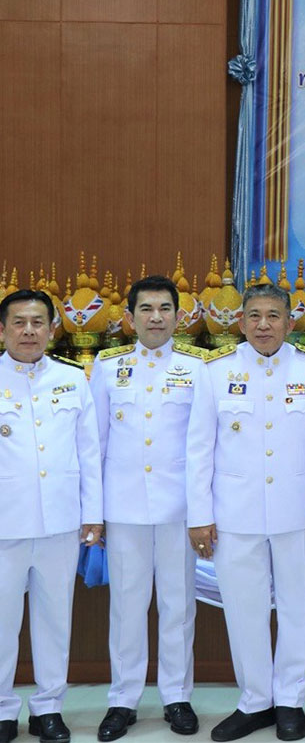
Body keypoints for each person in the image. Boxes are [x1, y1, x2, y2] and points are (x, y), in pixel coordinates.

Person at [186, 283, 305, 743]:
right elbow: (199, 449)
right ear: (241, 321)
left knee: (299, 607)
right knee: (243, 609)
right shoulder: (214, 372)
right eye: (254, 316)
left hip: (299, 510)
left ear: (290, 322)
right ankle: (255, 701)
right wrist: (199, 514)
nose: (263, 325)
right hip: (234, 512)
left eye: (273, 316)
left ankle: (290, 700)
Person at [89, 276, 204, 741]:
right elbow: (95, 444)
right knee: (127, 607)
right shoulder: (107, 366)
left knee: (178, 606)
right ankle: (123, 699)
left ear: (179, 316)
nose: (156, 317)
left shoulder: (199, 368)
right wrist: (94, 511)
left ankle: (177, 696)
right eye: (146, 309)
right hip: (124, 508)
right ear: (129, 317)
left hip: (180, 508)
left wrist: (203, 512)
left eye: (164, 309)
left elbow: (203, 446)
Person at [0, 289, 103, 743]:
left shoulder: (72, 379)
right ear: (3, 329)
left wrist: (93, 514)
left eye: (38, 322)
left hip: (61, 523)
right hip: (4, 525)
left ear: (52, 329)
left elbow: (89, 453)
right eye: (19, 322)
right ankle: (2, 711)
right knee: (1, 623)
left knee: (55, 620)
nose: (29, 331)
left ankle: (48, 709)